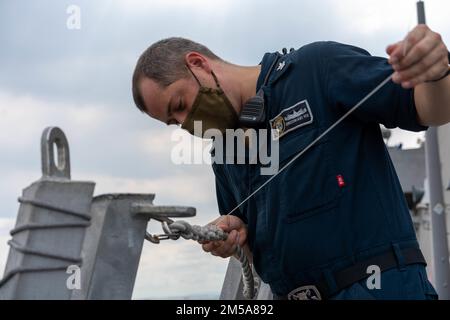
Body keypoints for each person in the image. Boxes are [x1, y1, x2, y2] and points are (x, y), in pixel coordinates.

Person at [131, 25, 450, 299]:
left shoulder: (316, 70)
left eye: (181, 104)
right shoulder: (223, 152)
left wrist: (435, 75)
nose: (188, 122)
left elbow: (428, 110)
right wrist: (234, 234)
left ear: (198, 64)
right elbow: (251, 241)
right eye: (175, 121)